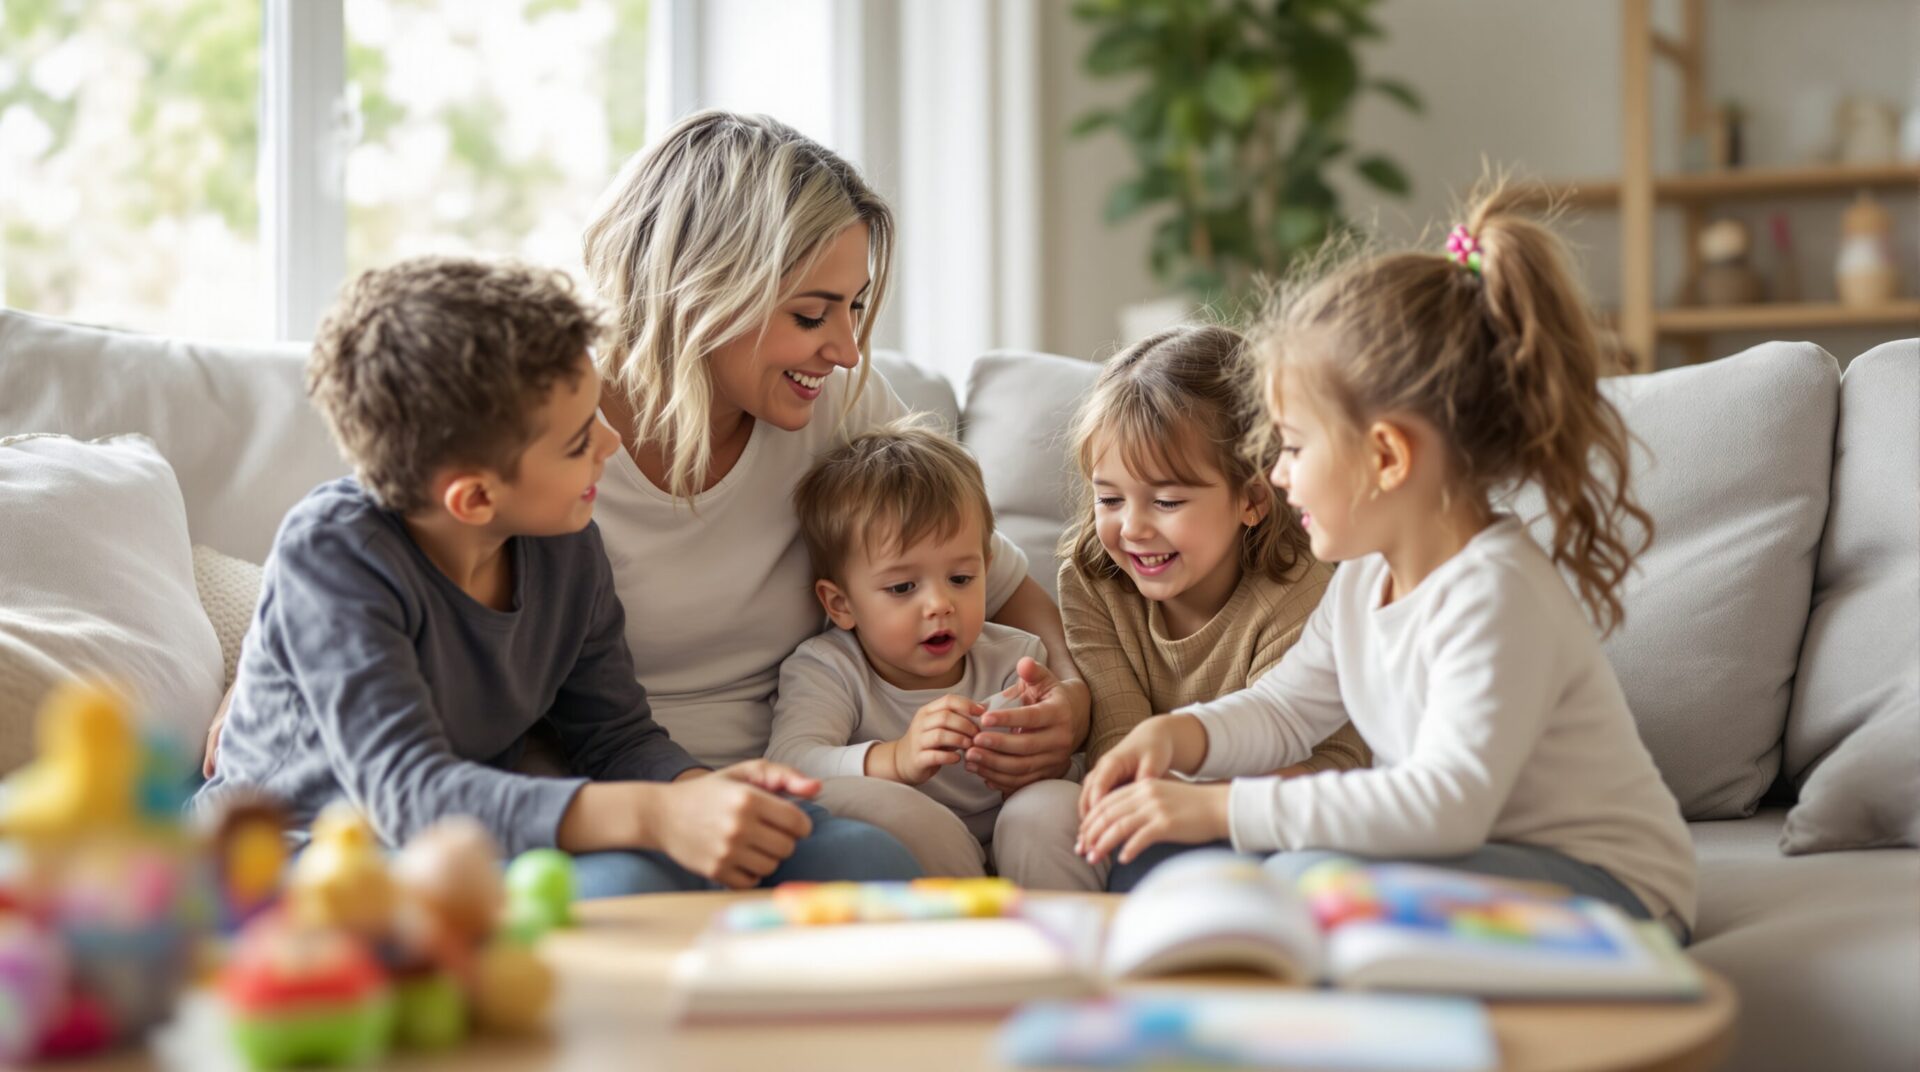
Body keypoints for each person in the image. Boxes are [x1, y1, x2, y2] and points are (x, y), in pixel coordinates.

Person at [1077, 188, 1697, 941]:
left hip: (1615, 895)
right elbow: (1284, 711)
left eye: (1296, 448)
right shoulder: (1366, 580)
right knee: (1240, 876)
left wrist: (1219, 806)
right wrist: (1176, 739)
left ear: (1385, 456)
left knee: (1303, 883)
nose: (1278, 477)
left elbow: (1446, 801)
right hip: (1486, 864)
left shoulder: (1494, 592)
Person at [195, 256, 920, 896]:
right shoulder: (335, 555)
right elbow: (406, 792)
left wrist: (706, 793)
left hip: (474, 837)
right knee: (625, 887)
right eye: (579, 439)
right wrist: (655, 816)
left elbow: (613, 737)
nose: (612, 442)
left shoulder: (564, 543)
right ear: (474, 497)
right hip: (303, 859)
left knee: (862, 857)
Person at [580, 110, 1091, 875]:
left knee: (880, 861)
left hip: (817, 796)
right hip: (634, 793)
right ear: (700, 292)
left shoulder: (842, 403)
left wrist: (1073, 703)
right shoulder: (556, 434)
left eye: (853, 308)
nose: (847, 349)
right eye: (812, 314)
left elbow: (1001, 580)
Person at [1024, 325, 1370, 892]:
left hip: (1272, 815)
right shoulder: (1093, 578)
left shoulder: (1301, 589)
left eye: (1166, 501)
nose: (1132, 527)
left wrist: (1197, 801)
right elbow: (1119, 737)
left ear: (1252, 499)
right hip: (1157, 806)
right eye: (1108, 498)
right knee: (1051, 821)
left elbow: (1330, 760)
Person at [767, 421, 1088, 887]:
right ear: (841, 604)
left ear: (987, 570)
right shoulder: (829, 669)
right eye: (902, 587)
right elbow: (790, 763)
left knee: (1048, 809)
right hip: (926, 857)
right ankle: (967, 946)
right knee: (910, 817)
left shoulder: (1016, 658)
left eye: (961, 579)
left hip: (1018, 849)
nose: (940, 604)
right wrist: (894, 759)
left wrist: (1044, 761)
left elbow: (1070, 762)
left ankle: (1059, 942)